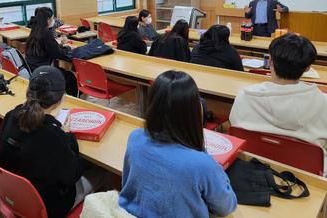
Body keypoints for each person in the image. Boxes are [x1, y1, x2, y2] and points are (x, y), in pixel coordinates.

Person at [119, 70, 237, 217]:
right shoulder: (202, 164)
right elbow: (226, 207)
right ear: (194, 112)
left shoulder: (135, 137)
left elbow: (126, 184)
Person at [0, 66, 105, 218]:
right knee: (103, 172)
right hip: (47, 207)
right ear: (60, 98)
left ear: (28, 92)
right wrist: (68, 136)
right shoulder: (52, 135)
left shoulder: (10, 116)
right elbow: (73, 174)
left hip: (10, 194)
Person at [230, 33, 327, 175]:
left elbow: (235, 131)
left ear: (270, 61)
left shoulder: (245, 96)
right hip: (305, 176)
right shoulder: (323, 102)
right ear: (307, 68)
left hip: (251, 168)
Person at [25, 7, 77, 96]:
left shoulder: (35, 30)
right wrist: (67, 47)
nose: (53, 20)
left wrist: (59, 45)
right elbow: (57, 54)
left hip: (33, 68)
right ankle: (75, 100)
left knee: (64, 72)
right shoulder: (46, 33)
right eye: (52, 18)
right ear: (48, 19)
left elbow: (48, 48)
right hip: (43, 71)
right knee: (70, 77)